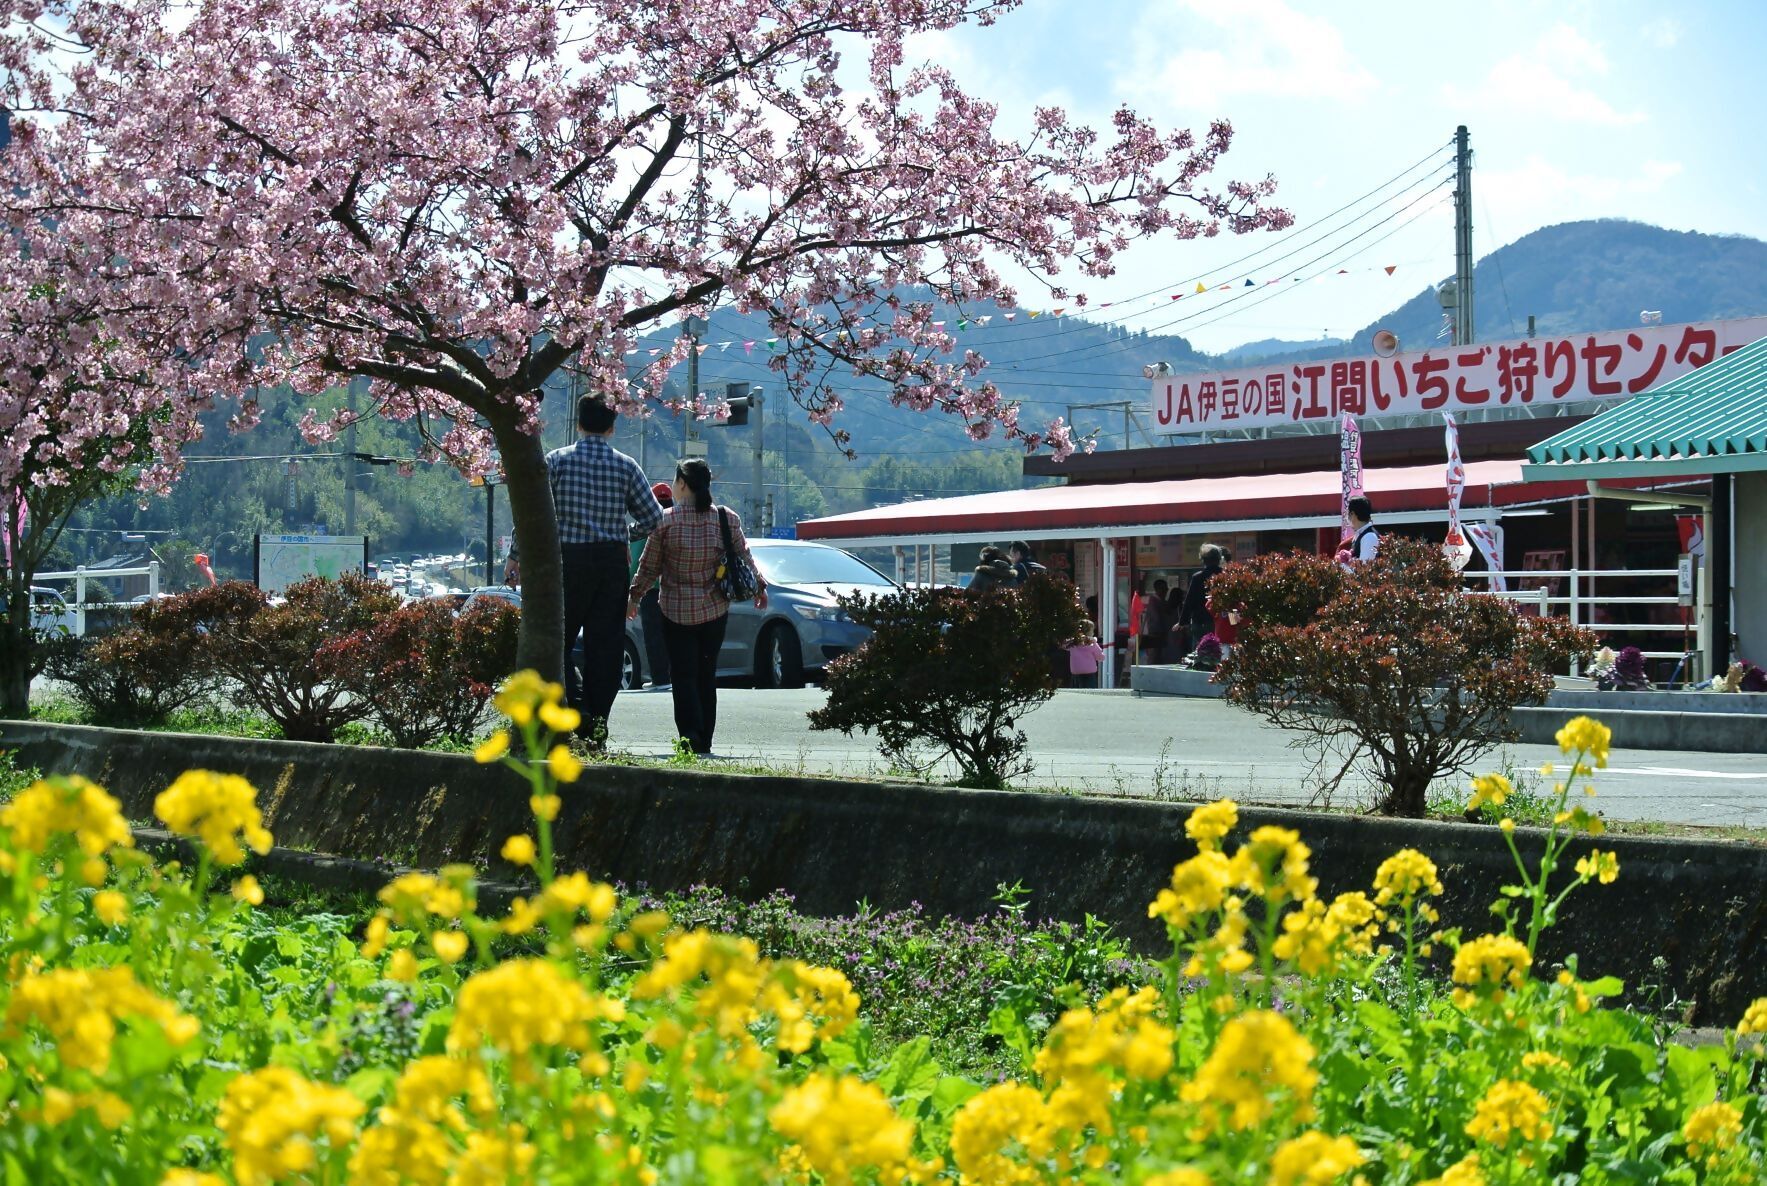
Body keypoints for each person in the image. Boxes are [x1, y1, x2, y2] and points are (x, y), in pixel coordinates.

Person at [547, 395, 666, 748]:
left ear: (578, 424)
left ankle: (574, 705)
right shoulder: (626, 466)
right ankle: (597, 725)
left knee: (558, 640)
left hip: (568, 560)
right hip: (612, 562)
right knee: (606, 646)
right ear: (612, 428)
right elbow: (654, 518)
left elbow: (537, 515)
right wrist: (623, 533)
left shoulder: (556, 461)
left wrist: (516, 556)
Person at [627, 459, 767, 756]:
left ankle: (689, 737)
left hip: (675, 611)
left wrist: (635, 597)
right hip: (714, 610)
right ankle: (706, 738)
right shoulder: (725, 518)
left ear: (682, 484)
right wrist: (760, 586)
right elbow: (745, 555)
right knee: (706, 673)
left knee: (682, 675)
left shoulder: (665, 521)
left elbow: (649, 566)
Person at [631, 481, 674, 691]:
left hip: (650, 590)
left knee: (654, 635)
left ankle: (660, 679)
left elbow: (635, 562)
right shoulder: (676, 521)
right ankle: (674, 677)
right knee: (674, 634)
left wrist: (632, 591)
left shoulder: (647, 524)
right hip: (674, 589)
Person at [1180, 544, 1225, 644]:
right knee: (1221, 648)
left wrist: (1183, 622)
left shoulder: (1197, 577)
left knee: (1200, 649)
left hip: (1200, 622)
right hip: (1221, 622)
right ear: (1219, 559)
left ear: (1204, 560)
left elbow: (1189, 601)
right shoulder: (1226, 575)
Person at [1064, 620, 1106, 688]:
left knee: (1076, 690)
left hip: (1076, 672)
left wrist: (1071, 639)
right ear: (1090, 632)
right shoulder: (1092, 643)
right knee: (1089, 690)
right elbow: (1100, 657)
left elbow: (1064, 646)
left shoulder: (1073, 643)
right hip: (1089, 673)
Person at [1340, 496, 1379, 565]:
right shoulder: (1361, 535)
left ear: (1352, 514)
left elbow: (1364, 567)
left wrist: (1342, 565)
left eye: (1347, 512)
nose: (1346, 516)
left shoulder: (1369, 537)